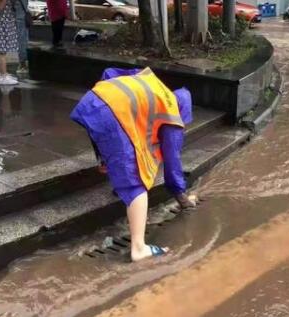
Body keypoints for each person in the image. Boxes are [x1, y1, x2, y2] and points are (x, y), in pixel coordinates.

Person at [70, 67, 196, 262]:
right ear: (183, 111)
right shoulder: (171, 112)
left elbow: (108, 73)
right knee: (136, 178)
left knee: (123, 156)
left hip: (93, 100)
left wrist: (103, 158)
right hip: (114, 114)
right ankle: (139, 248)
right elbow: (172, 160)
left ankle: (116, 179)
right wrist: (181, 196)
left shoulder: (149, 80)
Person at [0, 0, 19, 85]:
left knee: (3, 51)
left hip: (2, 22)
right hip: (0, 23)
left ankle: (4, 74)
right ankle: (3, 76)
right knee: (2, 51)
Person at [14, 0, 29, 74]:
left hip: (20, 18)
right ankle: (25, 62)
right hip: (23, 18)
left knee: (21, 40)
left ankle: (23, 64)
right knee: (24, 40)